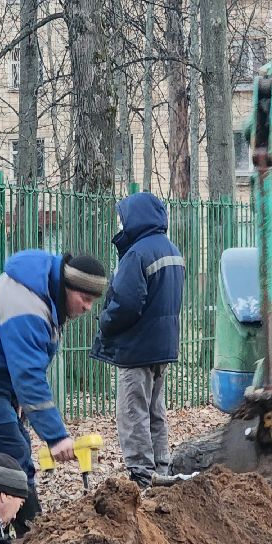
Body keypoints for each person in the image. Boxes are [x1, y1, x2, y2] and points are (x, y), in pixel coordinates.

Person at [0, 249, 109, 534]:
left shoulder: (44, 293)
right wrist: (56, 436)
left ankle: (0, 528)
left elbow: (15, 358)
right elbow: (28, 375)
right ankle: (27, 534)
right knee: (13, 455)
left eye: (93, 301)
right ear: (68, 287)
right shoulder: (28, 304)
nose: (88, 308)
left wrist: (16, 399)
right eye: (85, 299)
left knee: (12, 450)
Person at [89, 193, 185, 488]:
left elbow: (126, 304)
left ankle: (141, 474)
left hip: (137, 348)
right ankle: (161, 468)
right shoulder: (172, 251)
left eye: (123, 217)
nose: (120, 223)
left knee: (133, 411)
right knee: (156, 410)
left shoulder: (137, 254)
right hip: (163, 346)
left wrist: (104, 322)